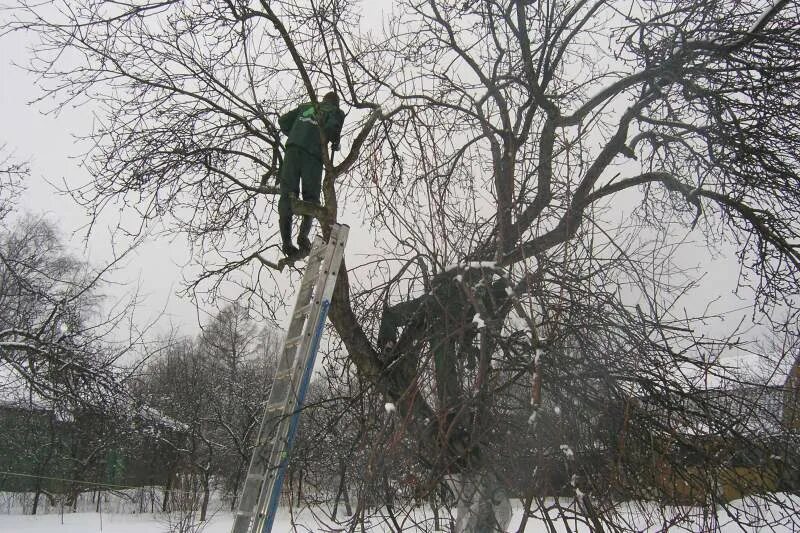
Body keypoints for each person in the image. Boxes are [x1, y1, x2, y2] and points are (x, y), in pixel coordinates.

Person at [277, 91, 345, 258]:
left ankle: (286, 243)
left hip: (292, 150)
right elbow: (331, 129)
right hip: (313, 156)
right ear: (335, 103)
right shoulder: (335, 111)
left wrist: (297, 133)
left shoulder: (306, 106)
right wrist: (335, 142)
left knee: (287, 195)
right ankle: (302, 237)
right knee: (311, 198)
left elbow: (283, 121)